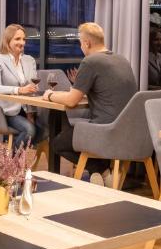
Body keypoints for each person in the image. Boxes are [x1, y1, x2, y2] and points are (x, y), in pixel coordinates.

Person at [43, 22, 137, 176]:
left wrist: (50, 95)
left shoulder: (90, 61)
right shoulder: (122, 59)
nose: (80, 47)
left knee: (58, 143)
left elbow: (72, 100)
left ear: (87, 43)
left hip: (104, 131)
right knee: (71, 135)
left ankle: (102, 171)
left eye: (80, 43)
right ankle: (102, 174)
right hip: (128, 130)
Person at [0, 24, 46, 150]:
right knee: (30, 130)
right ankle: (12, 164)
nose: (22, 43)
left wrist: (31, 113)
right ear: (7, 40)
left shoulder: (29, 60)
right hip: (6, 110)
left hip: (26, 109)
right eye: (17, 39)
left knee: (46, 132)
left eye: (24, 39)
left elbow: (32, 87)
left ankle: (16, 157)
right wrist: (19, 90)